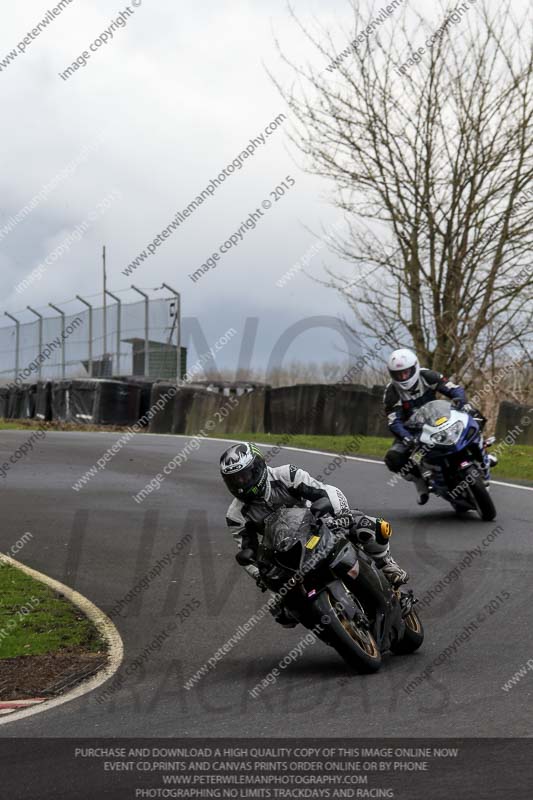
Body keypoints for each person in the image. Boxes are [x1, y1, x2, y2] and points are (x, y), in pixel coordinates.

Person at [220, 442, 409, 626]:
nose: (240, 484)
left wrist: (342, 514)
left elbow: (326, 491)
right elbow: (247, 552)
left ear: (258, 467)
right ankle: (330, 624)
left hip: (321, 524)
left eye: (244, 476)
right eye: (234, 480)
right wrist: (260, 575)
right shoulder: (235, 515)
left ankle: (386, 564)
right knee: (282, 612)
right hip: (287, 553)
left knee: (370, 527)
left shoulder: (286, 474)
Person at [383, 348, 493, 503]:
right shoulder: (392, 392)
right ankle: (421, 484)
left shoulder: (427, 376)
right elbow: (394, 421)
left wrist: (461, 401)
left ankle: (482, 451)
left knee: (475, 415)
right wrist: (406, 438)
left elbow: (454, 389)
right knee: (393, 458)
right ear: (392, 374)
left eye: (406, 372)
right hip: (414, 431)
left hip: (441, 417)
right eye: (398, 374)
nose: (403, 377)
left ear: (414, 367)